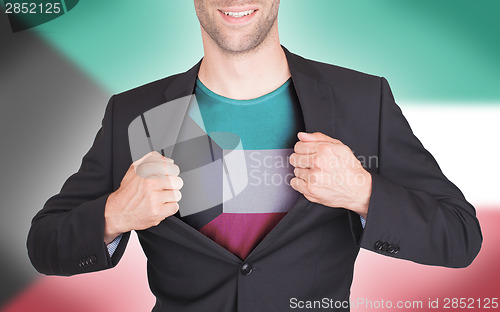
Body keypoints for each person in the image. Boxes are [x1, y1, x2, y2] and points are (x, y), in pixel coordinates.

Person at [27, 1, 482, 311]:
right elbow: (45, 245)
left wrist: (363, 192)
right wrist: (114, 214)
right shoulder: (135, 112)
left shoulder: (362, 100)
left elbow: (460, 237)